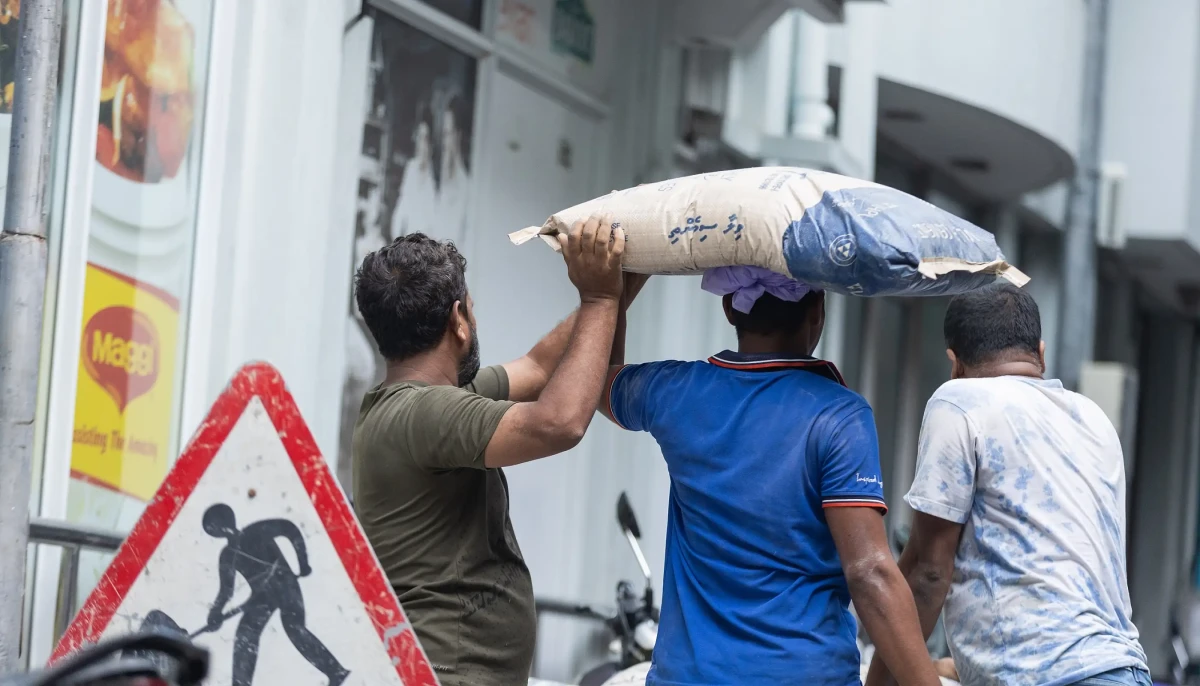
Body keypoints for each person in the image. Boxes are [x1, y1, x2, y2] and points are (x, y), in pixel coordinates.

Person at [601, 265, 942, 686]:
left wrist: (614, 294)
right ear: (817, 310)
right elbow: (868, 572)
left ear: (729, 307)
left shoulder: (675, 390)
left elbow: (597, 378)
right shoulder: (838, 416)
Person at [351, 217, 644, 686]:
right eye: (471, 309)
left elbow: (540, 366)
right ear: (458, 322)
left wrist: (625, 278)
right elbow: (559, 422)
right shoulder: (426, 414)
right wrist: (599, 299)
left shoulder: (417, 405)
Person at [865, 283, 1149, 686]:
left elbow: (927, 573)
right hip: (1123, 670)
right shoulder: (1092, 418)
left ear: (955, 363)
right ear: (1041, 355)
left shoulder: (959, 401)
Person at [201, 503, 348, 686]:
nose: (214, 531)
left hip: (284, 584)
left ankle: (336, 671)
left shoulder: (256, 531)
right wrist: (215, 612)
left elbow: (290, 529)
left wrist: (303, 563)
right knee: (245, 633)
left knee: (294, 627)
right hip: (261, 597)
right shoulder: (228, 555)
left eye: (213, 527)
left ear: (221, 523)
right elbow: (226, 590)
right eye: (211, 530)